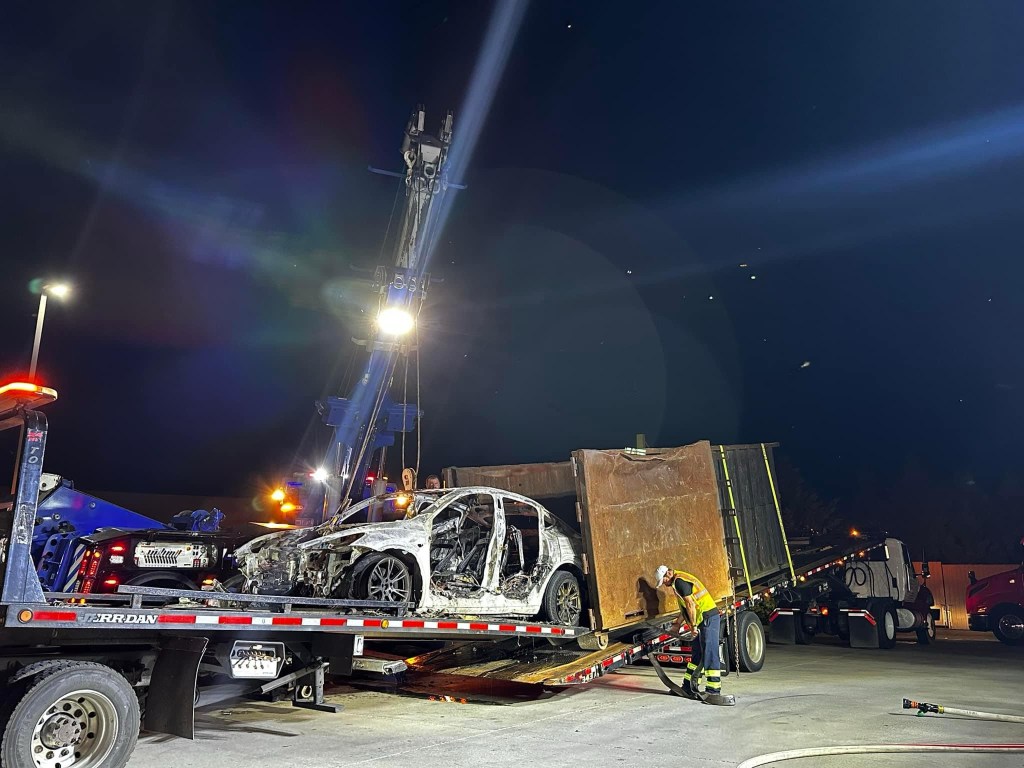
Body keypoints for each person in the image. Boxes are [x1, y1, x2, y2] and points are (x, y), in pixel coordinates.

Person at [655, 564, 734, 706]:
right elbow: (686, 607)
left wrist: (693, 627)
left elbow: (690, 605)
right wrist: (677, 624)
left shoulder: (679, 582)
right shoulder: (678, 581)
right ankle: (688, 687)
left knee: (710, 652)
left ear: (668, 574)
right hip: (703, 618)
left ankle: (713, 690)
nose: (664, 584)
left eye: (664, 581)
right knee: (697, 653)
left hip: (708, 617)